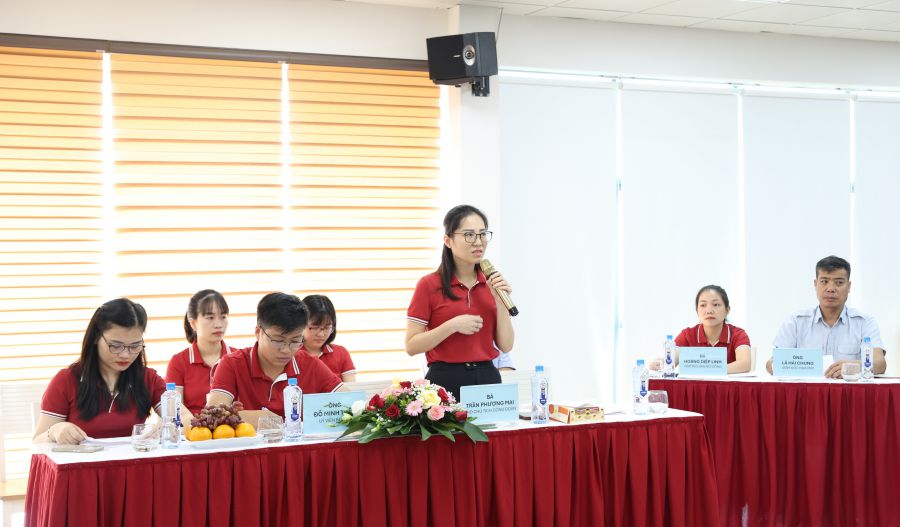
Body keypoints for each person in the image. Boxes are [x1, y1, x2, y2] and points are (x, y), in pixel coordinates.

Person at [405, 204, 515, 399]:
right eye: (469, 235)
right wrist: (452, 325)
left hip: (488, 378)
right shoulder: (429, 285)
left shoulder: (492, 283)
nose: (478, 242)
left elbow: (506, 345)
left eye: (482, 234)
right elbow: (412, 346)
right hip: (445, 380)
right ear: (448, 240)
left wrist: (500, 302)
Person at [33, 298, 167, 444]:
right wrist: (54, 432)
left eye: (135, 346)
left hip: (132, 465)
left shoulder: (148, 379)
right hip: (82, 465)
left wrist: (167, 426)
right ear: (96, 336)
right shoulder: (66, 381)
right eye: (116, 345)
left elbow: (183, 419)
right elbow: (38, 443)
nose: (125, 355)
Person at [208, 292, 343, 414]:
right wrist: (260, 417)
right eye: (278, 340)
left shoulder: (310, 365)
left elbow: (350, 403)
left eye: (295, 341)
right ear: (258, 332)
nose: (286, 350)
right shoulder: (233, 364)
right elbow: (213, 415)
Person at [766, 255, 887, 378]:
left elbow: (880, 363)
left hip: (849, 393)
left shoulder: (864, 322)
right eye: (824, 282)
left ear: (849, 287)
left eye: (839, 282)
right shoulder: (796, 322)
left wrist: (853, 366)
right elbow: (771, 363)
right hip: (808, 393)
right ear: (815, 284)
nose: (831, 289)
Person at [166, 289, 235, 414]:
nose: (218, 324)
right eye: (210, 317)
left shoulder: (238, 358)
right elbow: (174, 412)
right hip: (193, 431)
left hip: (233, 432)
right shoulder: (178, 362)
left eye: (223, 317)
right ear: (193, 323)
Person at [667, 285, 752, 374]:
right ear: (697, 311)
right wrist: (660, 363)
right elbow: (670, 361)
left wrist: (707, 369)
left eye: (716, 304)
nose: (709, 310)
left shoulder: (738, 334)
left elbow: (745, 364)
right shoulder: (688, 334)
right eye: (703, 305)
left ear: (727, 310)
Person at [299, 295, 357, 383]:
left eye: (327, 327)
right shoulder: (292, 354)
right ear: (301, 325)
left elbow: (352, 390)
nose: (321, 334)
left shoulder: (340, 353)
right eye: (314, 327)